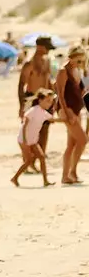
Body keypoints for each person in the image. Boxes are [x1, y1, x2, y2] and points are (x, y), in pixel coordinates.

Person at [56, 46, 88, 185]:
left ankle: (67, 175)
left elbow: (82, 90)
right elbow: (60, 94)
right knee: (83, 140)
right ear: (72, 57)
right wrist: (67, 111)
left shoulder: (77, 71)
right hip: (67, 109)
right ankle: (72, 171)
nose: (80, 62)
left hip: (76, 109)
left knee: (72, 143)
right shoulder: (63, 71)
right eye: (78, 59)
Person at [14, 94, 54, 185]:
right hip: (24, 139)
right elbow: (24, 125)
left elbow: (53, 119)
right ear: (40, 100)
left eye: (51, 101)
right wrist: (24, 140)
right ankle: (15, 178)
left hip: (33, 140)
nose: (50, 103)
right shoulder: (33, 111)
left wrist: (67, 120)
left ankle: (45, 181)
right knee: (29, 160)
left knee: (42, 157)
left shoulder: (43, 112)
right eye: (48, 101)